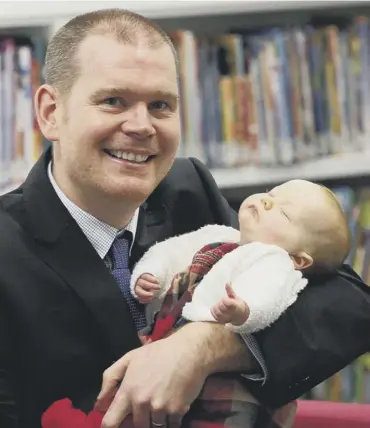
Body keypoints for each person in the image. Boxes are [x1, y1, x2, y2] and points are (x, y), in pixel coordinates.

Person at [0, 7, 368, 428]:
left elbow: (345, 302)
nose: (141, 126)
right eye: (113, 101)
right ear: (50, 112)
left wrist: (199, 346)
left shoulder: (187, 188)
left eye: (160, 105)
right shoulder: (7, 253)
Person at [130, 179, 350, 334]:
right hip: (162, 329)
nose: (266, 201)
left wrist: (244, 310)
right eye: (270, 193)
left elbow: (268, 298)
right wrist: (152, 273)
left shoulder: (274, 262)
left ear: (299, 260)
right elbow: (172, 250)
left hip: (205, 356)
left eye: (284, 212)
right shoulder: (219, 234)